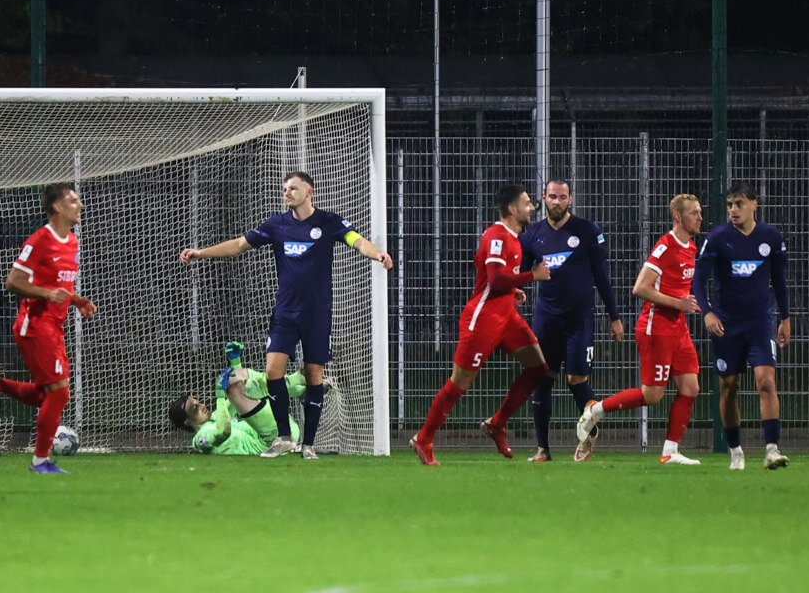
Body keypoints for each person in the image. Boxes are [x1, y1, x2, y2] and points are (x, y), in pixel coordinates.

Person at [179, 171, 392, 459]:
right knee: (272, 371)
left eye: (293, 188)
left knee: (315, 375)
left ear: (309, 192)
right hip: (285, 312)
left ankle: (309, 445)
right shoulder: (276, 225)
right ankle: (283, 438)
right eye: (284, 188)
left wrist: (378, 254)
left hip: (317, 314)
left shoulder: (328, 222)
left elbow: (357, 240)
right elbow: (240, 245)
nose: (287, 192)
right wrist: (201, 253)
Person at [410, 183, 553, 466]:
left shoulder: (513, 237)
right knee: (459, 383)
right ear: (512, 209)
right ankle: (424, 438)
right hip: (483, 319)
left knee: (539, 369)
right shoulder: (497, 236)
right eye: (527, 203)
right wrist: (531, 277)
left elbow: (499, 280)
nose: (532, 207)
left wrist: (515, 290)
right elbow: (497, 279)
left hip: (507, 316)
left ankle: (497, 423)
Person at [0, 183, 97, 474]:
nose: (80, 205)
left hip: (54, 326)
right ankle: (40, 461)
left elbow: (60, 284)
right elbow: (13, 282)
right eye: (73, 201)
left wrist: (77, 301)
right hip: (34, 325)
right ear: (58, 207)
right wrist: (46, 294)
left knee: (49, 396)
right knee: (59, 395)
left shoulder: (73, 242)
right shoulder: (39, 240)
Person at [576, 194, 703, 465]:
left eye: (700, 212)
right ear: (678, 217)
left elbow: (679, 288)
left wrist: (691, 304)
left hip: (678, 329)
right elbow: (640, 288)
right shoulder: (665, 247)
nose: (700, 218)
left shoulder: (691, 247)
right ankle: (595, 410)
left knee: (690, 387)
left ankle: (669, 451)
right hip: (656, 328)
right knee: (652, 395)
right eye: (694, 213)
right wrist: (678, 303)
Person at [520, 179, 624, 462]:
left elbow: (602, 277)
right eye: (552, 197)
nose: (557, 201)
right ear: (544, 198)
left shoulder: (587, 231)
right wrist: (516, 290)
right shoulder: (532, 236)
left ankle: (589, 437)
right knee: (542, 378)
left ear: (571, 200)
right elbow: (520, 271)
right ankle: (543, 449)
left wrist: (615, 318)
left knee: (576, 378)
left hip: (579, 318)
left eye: (562, 197)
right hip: (546, 318)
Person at [692, 181, 790, 470]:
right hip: (726, 324)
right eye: (730, 205)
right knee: (729, 386)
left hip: (760, 321)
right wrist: (708, 313)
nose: (734, 210)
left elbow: (780, 281)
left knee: (766, 382)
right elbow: (698, 280)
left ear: (754, 205)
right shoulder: (719, 237)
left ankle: (772, 449)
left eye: (739, 204)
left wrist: (785, 317)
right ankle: (736, 451)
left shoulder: (770, 237)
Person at [169, 342, 305, 455]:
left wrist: (235, 362)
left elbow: (239, 396)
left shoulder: (217, 416)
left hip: (283, 430)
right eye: (194, 408)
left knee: (240, 383)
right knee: (234, 387)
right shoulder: (200, 439)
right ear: (187, 422)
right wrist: (220, 395)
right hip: (272, 442)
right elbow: (223, 432)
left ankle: (301, 389)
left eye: (197, 401)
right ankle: (298, 380)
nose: (201, 405)